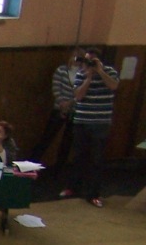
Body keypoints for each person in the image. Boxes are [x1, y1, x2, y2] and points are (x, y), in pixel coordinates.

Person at [61, 49, 120, 208]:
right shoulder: (81, 74)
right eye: (87, 60)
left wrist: (100, 71)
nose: (88, 63)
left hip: (100, 123)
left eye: (92, 60)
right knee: (78, 157)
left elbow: (113, 86)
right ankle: (73, 188)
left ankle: (93, 194)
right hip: (82, 122)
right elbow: (78, 96)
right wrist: (89, 77)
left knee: (96, 159)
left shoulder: (110, 72)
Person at [28, 50, 78, 169]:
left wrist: (70, 103)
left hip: (74, 110)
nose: (76, 60)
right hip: (59, 108)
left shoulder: (83, 74)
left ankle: (59, 167)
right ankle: (31, 164)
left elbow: (81, 94)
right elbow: (56, 88)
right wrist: (62, 104)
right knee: (47, 137)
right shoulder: (61, 70)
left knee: (67, 141)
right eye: (74, 57)